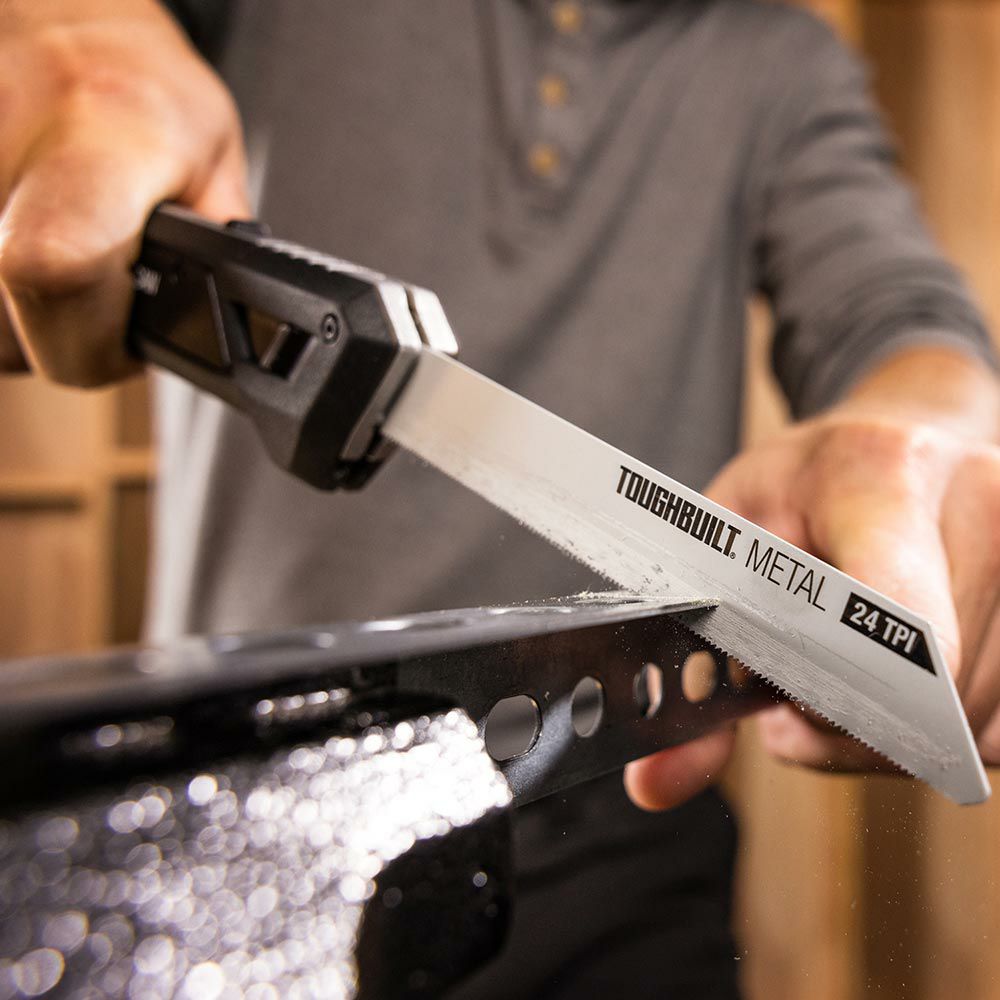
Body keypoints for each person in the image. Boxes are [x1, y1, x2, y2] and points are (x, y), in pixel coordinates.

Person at [2, 1, 999, 996]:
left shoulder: (781, 58)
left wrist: (929, 434)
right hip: (250, 811)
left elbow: (897, 309)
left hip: (622, 817)